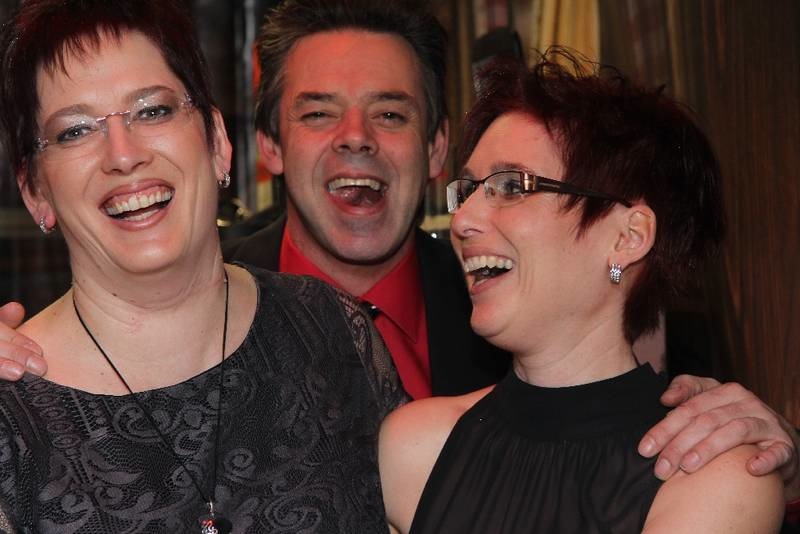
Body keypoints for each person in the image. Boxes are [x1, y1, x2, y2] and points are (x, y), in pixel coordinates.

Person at [0, 0, 798, 505]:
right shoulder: (23, 389)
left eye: (390, 113)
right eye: (319, 113)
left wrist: (766, 447)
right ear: (263, 146)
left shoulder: (530, 297)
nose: (356, 140)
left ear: (438, 150)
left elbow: (655, 420)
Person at [0, 0, 404, 531]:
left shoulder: (331, 332)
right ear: (35, 191)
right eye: (75, 131)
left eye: (153, 111)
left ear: (216, 142)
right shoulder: (9, 420)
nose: (123, 155)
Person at [379, 52, 785, 533]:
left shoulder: (715, 476)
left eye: (511, 187)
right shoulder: (415, 447)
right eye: (466, 190)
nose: (463, 219)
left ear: (627, 237)